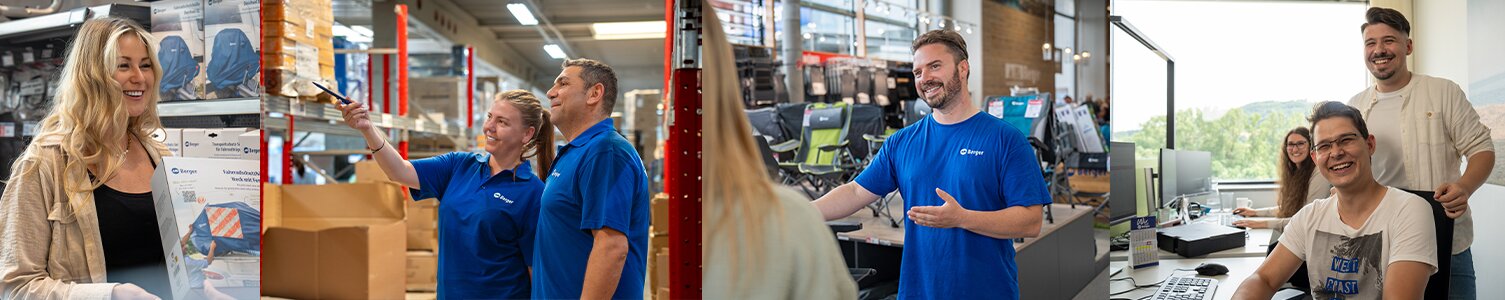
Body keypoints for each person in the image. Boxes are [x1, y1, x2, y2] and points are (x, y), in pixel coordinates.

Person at [811, 29, 1051, 299]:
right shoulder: (902, 142)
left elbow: (1031, 221)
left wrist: (963, 218)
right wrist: (799, 211)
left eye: (934, 66)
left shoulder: (1005, 139)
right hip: (918, 291)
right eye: (918, 72)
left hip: (985, 291)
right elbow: (856, 191)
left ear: (963, 68)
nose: (924, 78)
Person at [0, 17, 174, 299]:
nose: (140, 78)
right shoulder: (44, 163)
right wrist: (110, 295)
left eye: (145, 65)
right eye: (123, 65)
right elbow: (15, 286)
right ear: (91, 75)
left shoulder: (161, 156)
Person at [701, 2, 857, 298]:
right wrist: (799, 215)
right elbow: (857, 191)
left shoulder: (788, 221)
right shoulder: (788, 222)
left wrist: (800, 214)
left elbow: (857, 191)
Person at [335, 90, 552, 299]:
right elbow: (399, 171)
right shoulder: (459, 165)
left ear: (527, 134)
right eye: (489, 117)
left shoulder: (533, 194)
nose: (489, 127)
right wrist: (368, 128)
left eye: (502, 122)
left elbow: (536, 272)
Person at [1345, 7, 1494, 299]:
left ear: (1408, 46)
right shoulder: (1355, 106)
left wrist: (1464, 187)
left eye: (1389, 40)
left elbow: (1482, 149)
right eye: (1370, 43)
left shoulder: (1443, 92)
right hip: (1378, 244)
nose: (1379, 50)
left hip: (1446, 241)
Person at [1233, 101, 1436, 300]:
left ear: (1370, 145)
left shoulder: (1410, 210)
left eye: (1346, 140)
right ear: (1315, 158)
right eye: (1324, 146)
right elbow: (1264, 279)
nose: (1336, 152)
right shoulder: (1310, 216)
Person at [533, 58, 650, 300]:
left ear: (594, 94)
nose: (551, 92)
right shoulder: (577, 152)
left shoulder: (605, 152)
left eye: (563, 84)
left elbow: (611, 247)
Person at [1232, 127, 1331, 236]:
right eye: (1291, 144)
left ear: (1311, 146)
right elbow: (1288, 208)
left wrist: (1261, 223)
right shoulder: (1298, 172)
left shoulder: (1318, 173)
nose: (1295, 149)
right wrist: (1254, 212)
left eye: (1300, 144)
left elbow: (1307, 218)